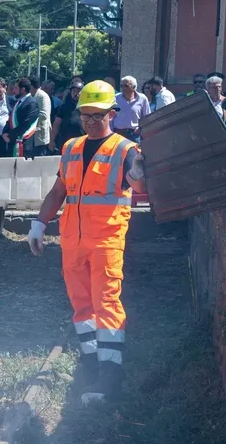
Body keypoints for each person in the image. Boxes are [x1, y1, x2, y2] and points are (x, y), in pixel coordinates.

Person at [28, 79, 146, 405]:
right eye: (85, 115)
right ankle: (90, 361)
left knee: (106, 304)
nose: (91, 121)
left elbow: (139, 183)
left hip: (107, 241)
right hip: (73, 242)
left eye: (98, 115)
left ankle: (110, 375)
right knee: (81, 305)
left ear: (112, 113)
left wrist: (140, 169)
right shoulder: (71, 147)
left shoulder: (125, 150)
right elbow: (58, 191)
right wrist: (39, 223)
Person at [113, 76, 150, 141]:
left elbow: (147, 117)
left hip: (134, 134)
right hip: (118, 134)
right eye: (121, 86)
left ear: (134, 87)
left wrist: (140, 129)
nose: (123, 88)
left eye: (126, 86)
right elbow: (110, 116)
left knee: (135, 151)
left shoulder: (142, 98)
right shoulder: (115, 98)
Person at [10, 78, 40, 159]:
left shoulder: (32, 103)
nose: (13, 91)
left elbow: (26, 123)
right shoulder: (18, 102)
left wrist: (11, 134)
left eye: (16, 88)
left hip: (25, 144)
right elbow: (11, 119)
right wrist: (5, 132)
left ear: (23, 90)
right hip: (14, 142)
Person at [52, 80, 85, 152]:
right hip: (66, 142)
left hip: (82, 141)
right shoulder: (64, 106)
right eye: (74, 90)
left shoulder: (86, 107)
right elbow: (57, 124)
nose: (76, 93)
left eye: (78, 90)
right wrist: (52, 140)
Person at [29, 78, 53, 157]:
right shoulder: (30, 96)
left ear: (32, 86)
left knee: (40, 161)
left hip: (40, 136)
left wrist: (29, 120)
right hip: (31, 137)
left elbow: (43, 115)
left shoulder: (42, 96)